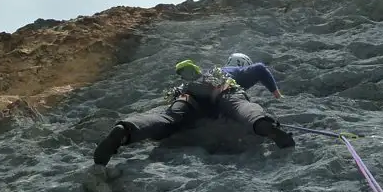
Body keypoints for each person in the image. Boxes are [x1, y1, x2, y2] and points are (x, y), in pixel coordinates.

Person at [92, 56, 295, 167]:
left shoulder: (204, 72)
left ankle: (126, 130)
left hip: (190, 93)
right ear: (241, 63)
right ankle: (263, 124)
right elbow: (260, 68)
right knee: (240, 106)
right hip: (221, 88)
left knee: (168, 118)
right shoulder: (235, 72)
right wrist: (277, 94)